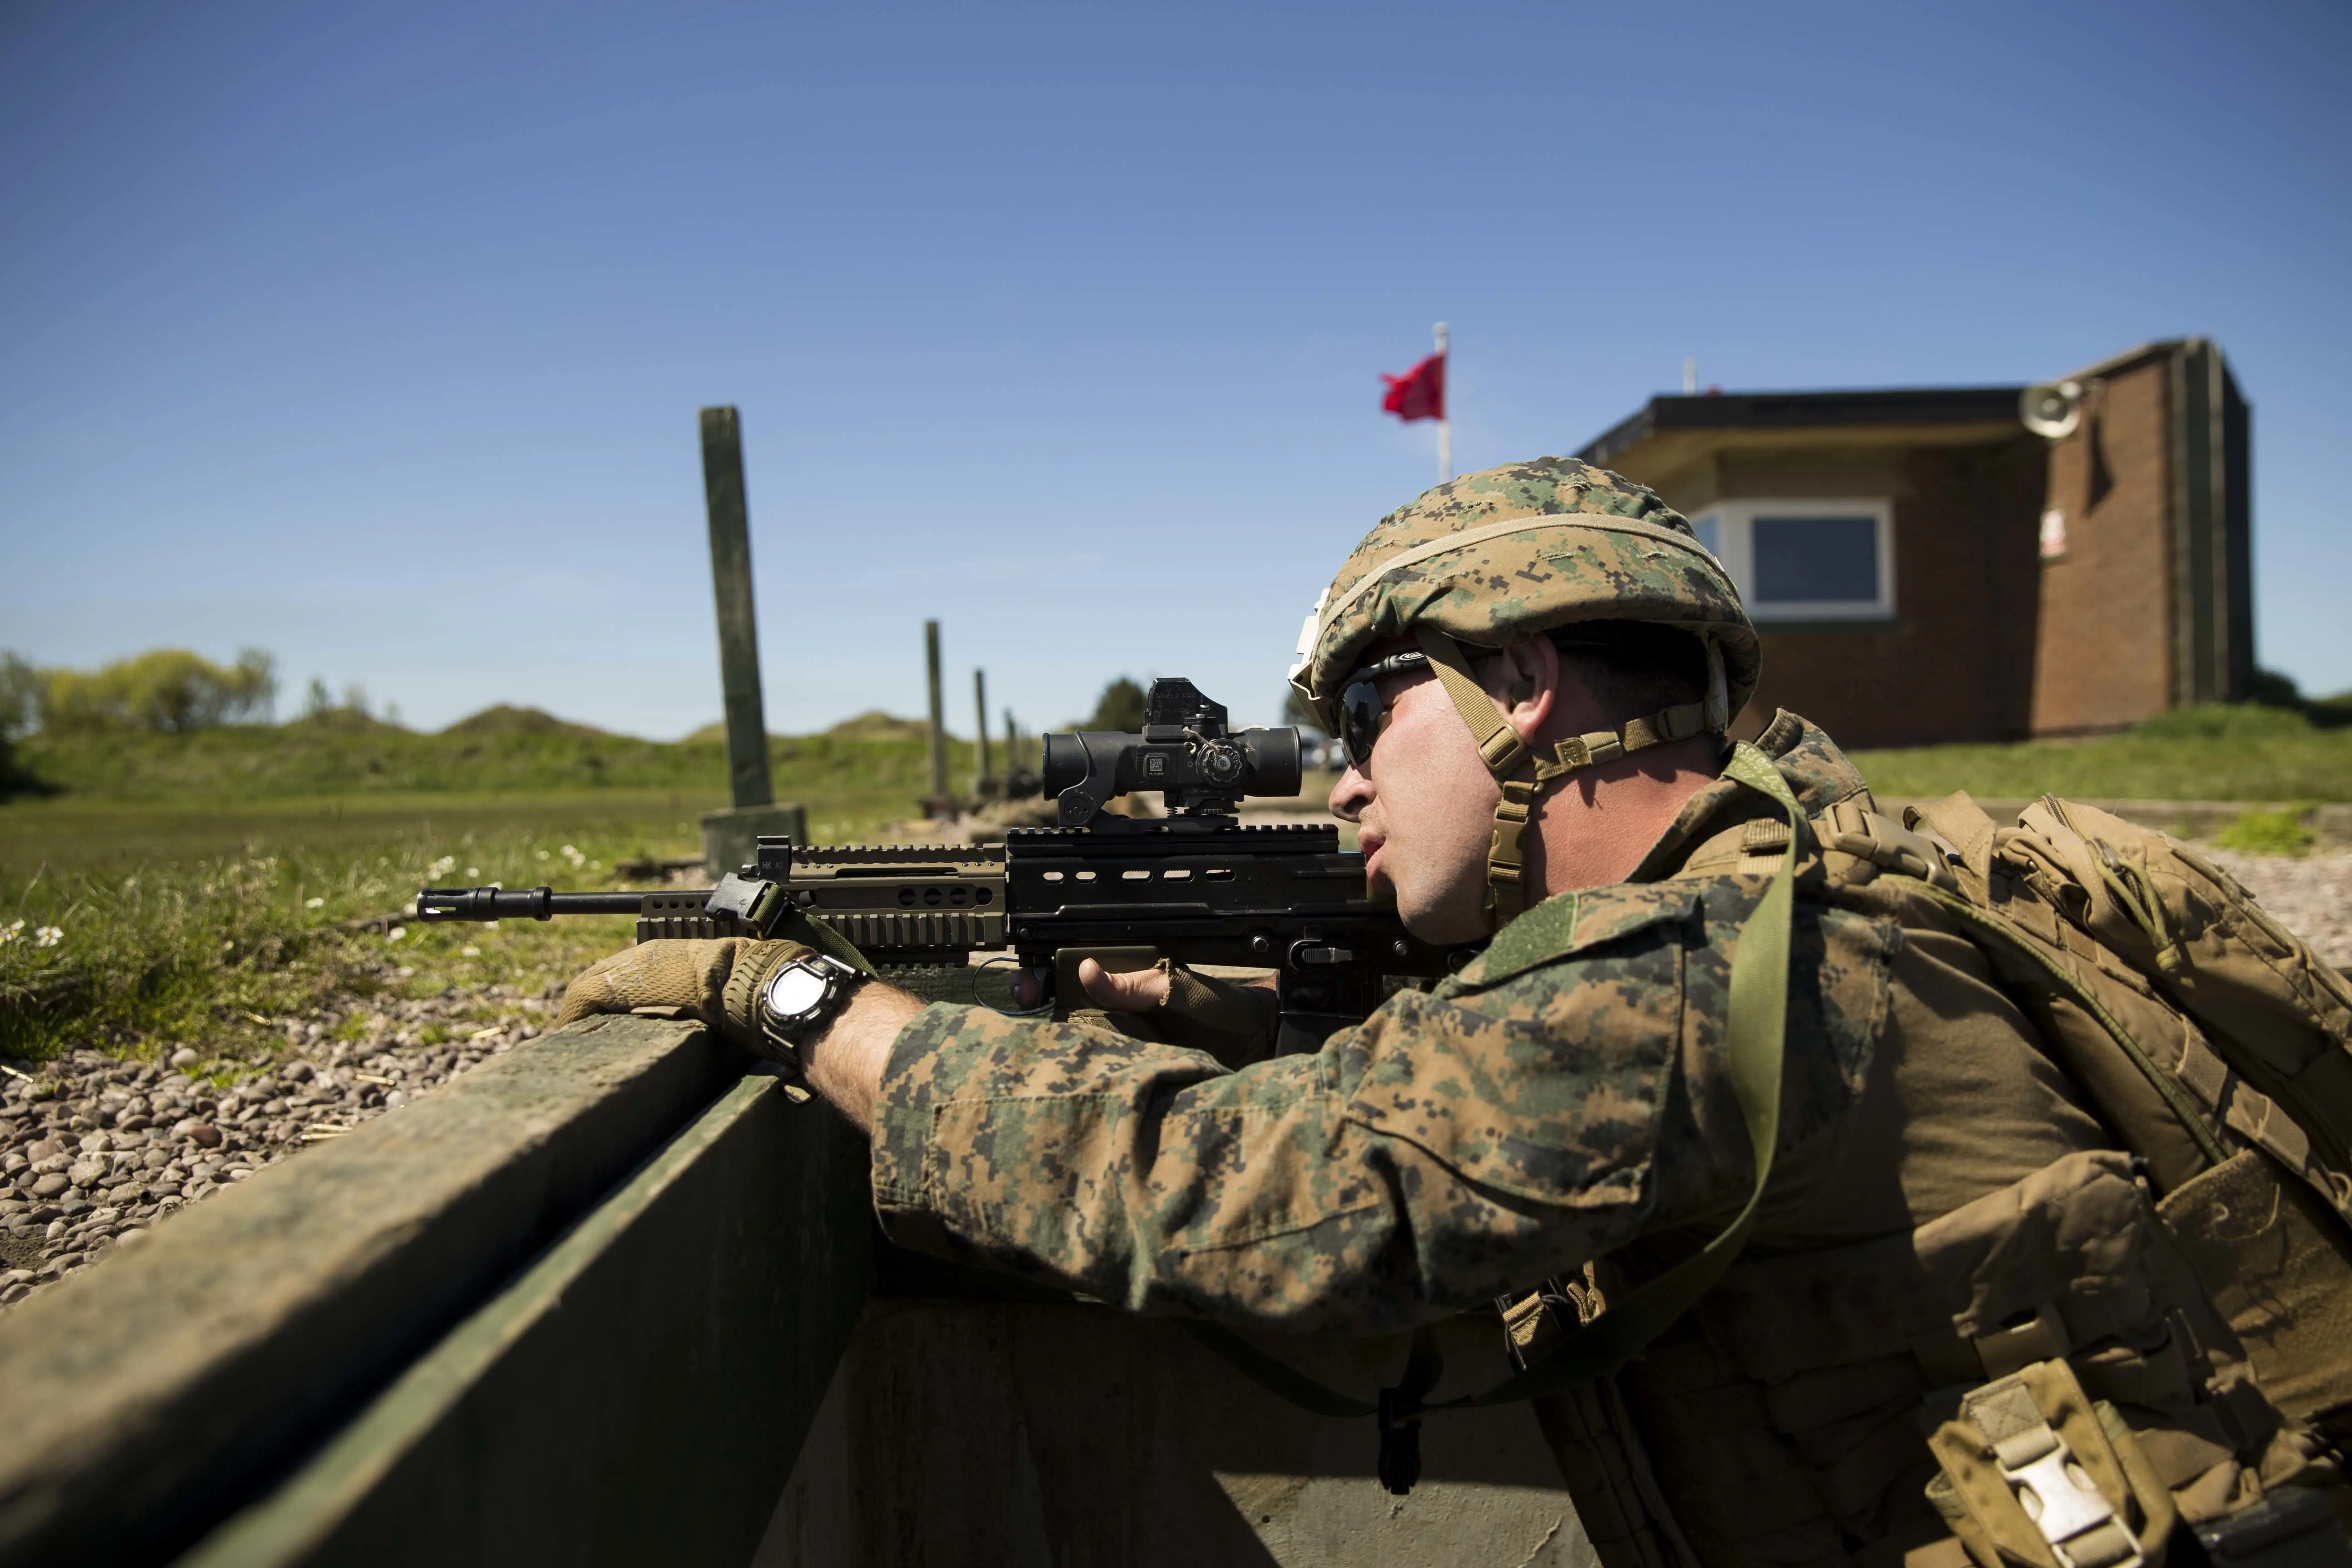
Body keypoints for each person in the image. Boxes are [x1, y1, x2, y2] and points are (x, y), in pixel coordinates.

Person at [559, 458, 2352, 1568]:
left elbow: (1256, 1201)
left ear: (1519, 684)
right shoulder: (1870, 862)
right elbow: (1492, 1095)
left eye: (1367, 720)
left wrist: (798, 1000)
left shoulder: (1684, 976)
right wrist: (1213, 1007)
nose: (1340, 786)